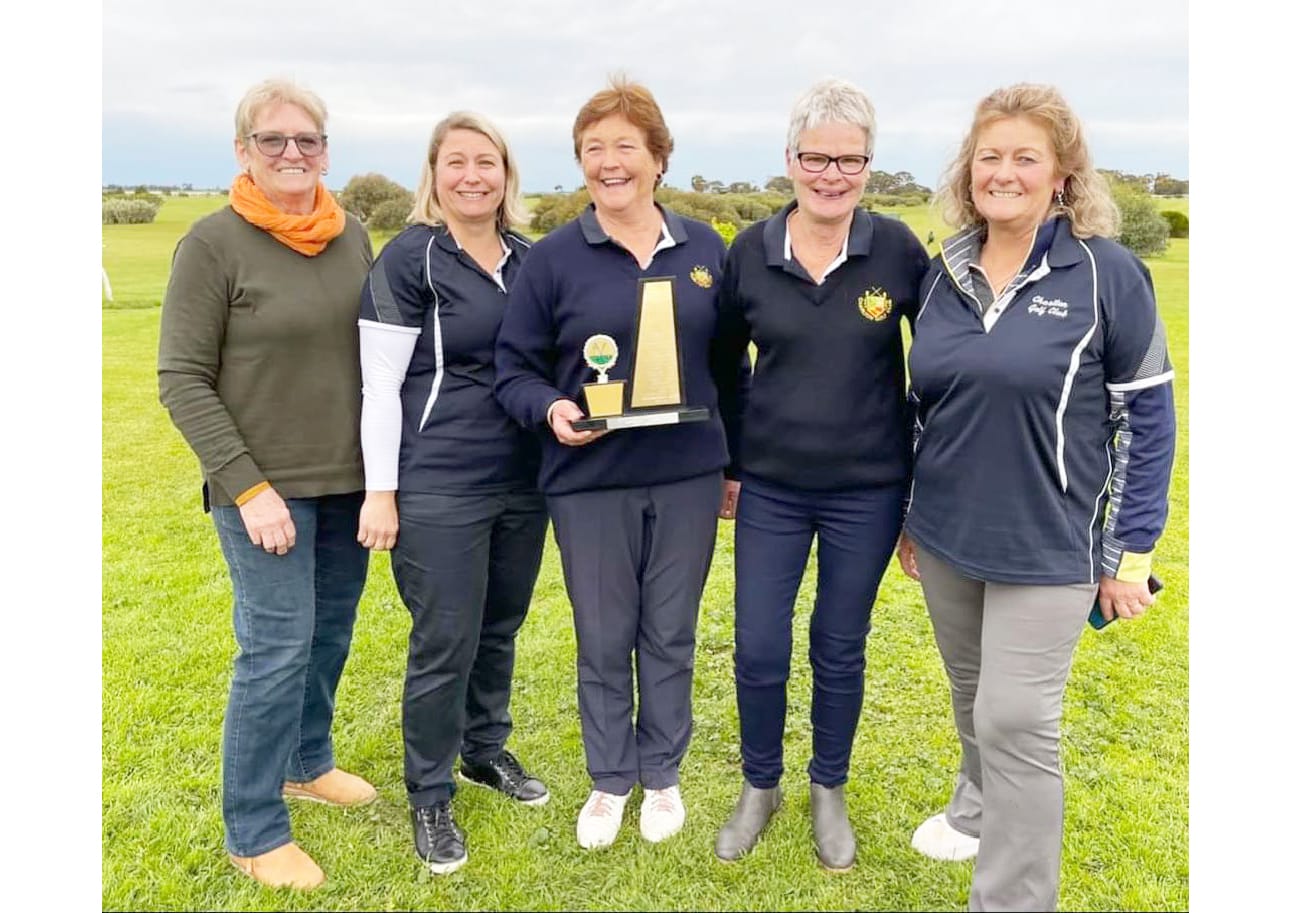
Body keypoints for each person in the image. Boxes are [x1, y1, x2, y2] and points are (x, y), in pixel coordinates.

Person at [897, 84, 1176, 912]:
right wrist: (912, 518)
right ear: (968, 170)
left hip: (1050, 547)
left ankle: (1011, 900)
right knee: (971, 698)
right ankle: (975, 808)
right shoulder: (941, 273)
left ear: (1061, 175)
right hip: (946, 536)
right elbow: (924, 407)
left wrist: (1129, 556)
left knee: (1016, 719)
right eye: (990, 156)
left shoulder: (1106, 275)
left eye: (1025, 157)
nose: (1004, 173)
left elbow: (1147, 419)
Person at [494, 75, 743, 850]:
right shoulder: (553, 258)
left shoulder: (706, 249)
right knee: (604, 634)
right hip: (588, 479)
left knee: (669, 630)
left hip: (687, 475)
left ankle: (661, 773)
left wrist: (733, 465)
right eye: (593, 148)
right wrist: (551, 409)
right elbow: (513, 366)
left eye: (625, 147)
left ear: (658, 158)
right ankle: (609, 778)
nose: (609, 162)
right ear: (580, 162)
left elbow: (733, 367)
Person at [158, 78, 376, 891]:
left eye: (306, 140)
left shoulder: (351, 235)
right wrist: (250, 487)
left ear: (326, 149)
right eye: (272, 140)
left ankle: (305, 761)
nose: (291, 154)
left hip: (347, 483)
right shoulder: (212, 244)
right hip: (263, 495)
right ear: (243, 150)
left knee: (327, 635)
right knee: (276, 648)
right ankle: (252, 829)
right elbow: (181, 377)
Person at [708, 78, 929, 871]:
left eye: (849, 159)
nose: (831, 174)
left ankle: (826, 787)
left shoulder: (898, 249)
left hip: (867, 490)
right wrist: (731, 464)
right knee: (759, 644)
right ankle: (758, 787)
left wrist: (918, 493)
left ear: (868, 164)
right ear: (789, 160)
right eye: (816, 157)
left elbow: (937, 366)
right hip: (768, 485)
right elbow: (724, 360)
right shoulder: (750, 251)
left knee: (838, 643)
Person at [356, 112, 549, 876]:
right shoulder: (412, 257)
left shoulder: (530, 259)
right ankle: (430, 791)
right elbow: (377, 385)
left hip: (523, 480)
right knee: (445, 640)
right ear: (433, 175)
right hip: (437, 480)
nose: (473, 176)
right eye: (456, 162)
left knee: (499, 624)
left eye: (487, 162)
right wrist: (381, 491)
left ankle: (483, 750)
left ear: (507, 175)